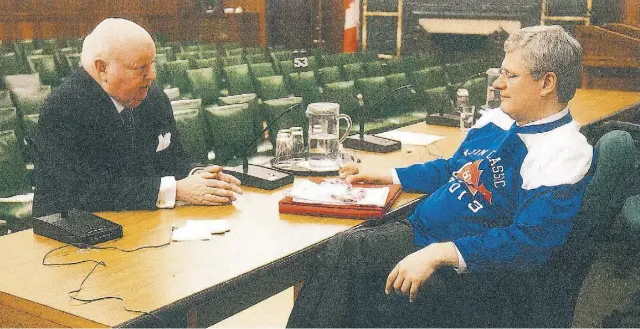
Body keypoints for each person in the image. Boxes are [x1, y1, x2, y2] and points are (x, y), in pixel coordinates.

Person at [287, 25, 594, 327]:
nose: (498, 84)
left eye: (510, 76)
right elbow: (453, 169)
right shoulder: (500, 120)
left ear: (546, 83)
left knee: (348, 255)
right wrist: (388, 175)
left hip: (474, 279)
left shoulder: (563, 150)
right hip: (424, 236)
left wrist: (441, 253)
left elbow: (531, 242)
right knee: (344, 251)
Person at [32, 18, 242, 217]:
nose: (152, 75)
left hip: (143, 223)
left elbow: (173, 157)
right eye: (141, 67)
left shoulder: (153, 96)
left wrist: (201, 178)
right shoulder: (64, 108)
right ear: (102, 68)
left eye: (151, 64)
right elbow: (84, 191)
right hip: (72, 236)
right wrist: (175, 190)